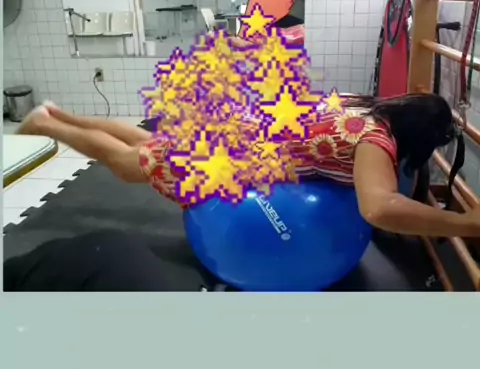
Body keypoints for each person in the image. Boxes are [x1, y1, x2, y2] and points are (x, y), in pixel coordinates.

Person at [16, 93, 480, 240]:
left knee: (145, 141)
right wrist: (464, 224)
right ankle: (47, 126)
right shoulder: (375, 142)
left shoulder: (363, 107)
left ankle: (57, 114)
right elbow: (378, 207)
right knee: (129, 162)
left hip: (239, 127)